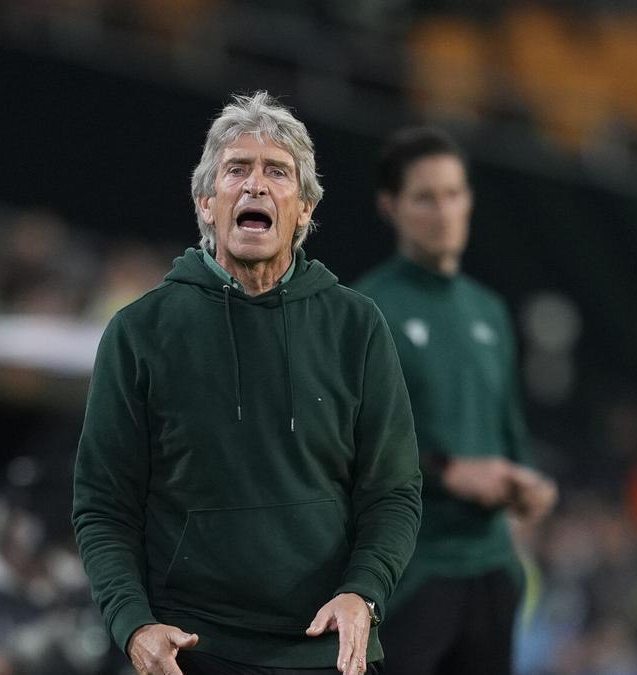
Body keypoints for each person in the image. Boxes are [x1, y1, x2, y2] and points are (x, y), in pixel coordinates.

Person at [72, 92, 422, 675]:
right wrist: (132, 625)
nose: (255, 185)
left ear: (305, 209)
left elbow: (393, 492)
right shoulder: (139, 332)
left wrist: (364, 592)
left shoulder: (356, 327)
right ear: (206, 203)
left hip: (324, 650)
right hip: (187, 651)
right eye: (237, 169)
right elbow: (103, 506)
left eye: (277, 172)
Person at [355, 126, 558, 675]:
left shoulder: (488, 310)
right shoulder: (367, 311)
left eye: (454, 194)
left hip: (491, 569)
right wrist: (449, 472)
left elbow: (507, 430)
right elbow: (347, 448)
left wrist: (526, 483)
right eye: (425, 197)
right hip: (412, 572)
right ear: (390, 206)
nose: (444, 212)